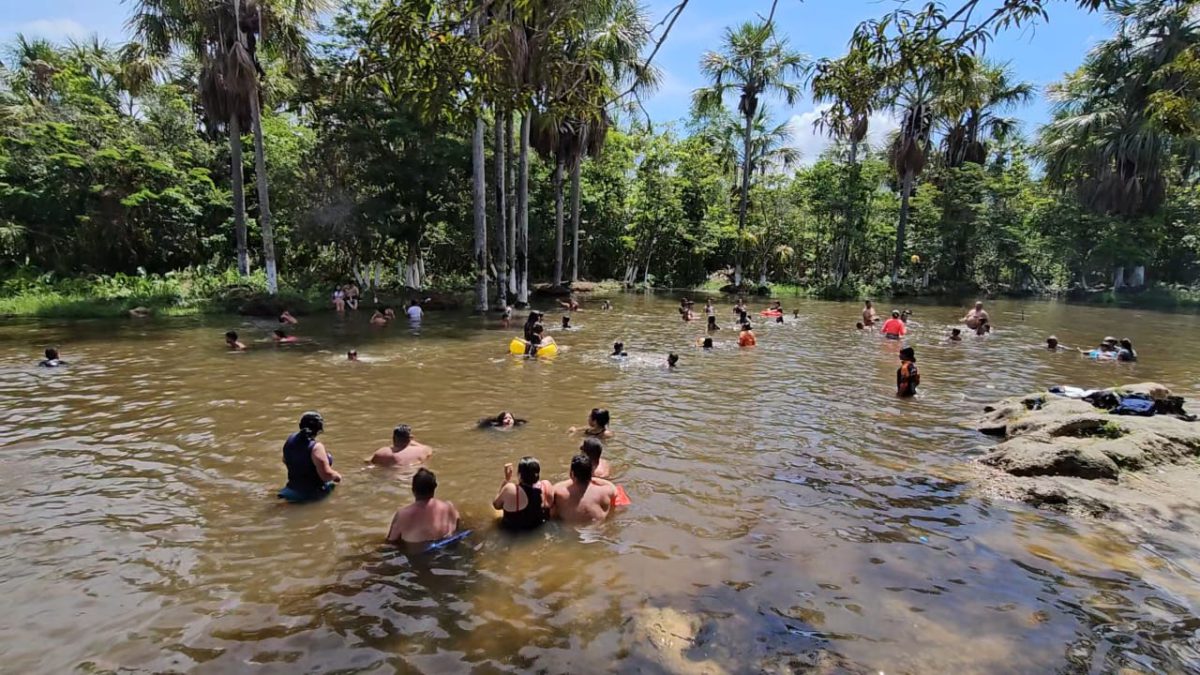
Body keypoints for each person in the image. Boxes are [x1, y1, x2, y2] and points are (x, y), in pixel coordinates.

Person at [386, 468, 460, 544]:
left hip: (418, 552)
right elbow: (457, 525)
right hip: (448, 548)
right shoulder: (449, 507)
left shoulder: (402, 515)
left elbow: (391, 541)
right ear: (434, 487)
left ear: (413, 490)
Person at [279, 412, 341, 502]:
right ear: (319, 429)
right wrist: (337, 476)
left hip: (289, 489)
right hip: (310, 495)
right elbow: (326, 475)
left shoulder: (290, 439)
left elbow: (284, 460)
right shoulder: (316, 447)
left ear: (300, 425)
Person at [549, 455, 617, 525]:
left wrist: (570, 480)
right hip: (597, 530)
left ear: (572, 474)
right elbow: (613, 488)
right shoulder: (606, 491)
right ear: (591, 473)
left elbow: (552, 491)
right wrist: (593, 479)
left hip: (569, 530)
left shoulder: (559, 493)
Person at [493, 457, 553, 532]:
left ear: (520, 474)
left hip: (512, 533)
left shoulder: (511, 489)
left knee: (497, 512)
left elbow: (496, 505)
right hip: (537, 528)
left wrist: (506, 480)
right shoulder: (546, 485)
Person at [368, 424, 433, 467]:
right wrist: (412, 441)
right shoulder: (422, 450)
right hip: (413, 478)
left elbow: (368, 461)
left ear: (393, 438)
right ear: (410, 438)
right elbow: (429, 450)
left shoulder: (383, 452)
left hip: (391, 479)